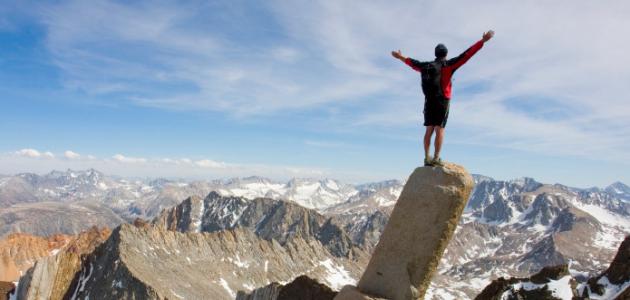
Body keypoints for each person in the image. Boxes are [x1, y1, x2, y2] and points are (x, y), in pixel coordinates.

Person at [392, 30, 494, 166]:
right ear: (445, 54)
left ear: (435, 54)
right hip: (442, 100)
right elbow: (467, 55)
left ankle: (426, 158)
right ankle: (436, 158)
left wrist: (400, 57)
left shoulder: (425, 66)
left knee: (429, 129)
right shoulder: (449, 65)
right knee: (440, 129)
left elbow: (412, 63)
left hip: (429, 101)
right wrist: (482, 42)